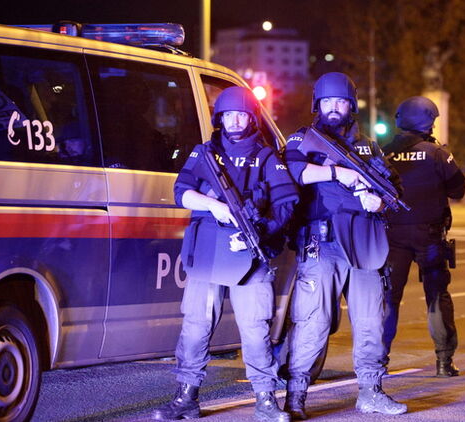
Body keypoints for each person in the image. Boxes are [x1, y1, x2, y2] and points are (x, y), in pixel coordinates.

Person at [153, 86, 299, 421]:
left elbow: (286, 204)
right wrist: (215, 206)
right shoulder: (205, 153)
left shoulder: (266, 157)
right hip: (208, 250)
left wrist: (260, 230)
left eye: (241, 115)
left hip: (250, 251)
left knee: (256, 328)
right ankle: (185, 398)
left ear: (251, 118)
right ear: (220, 118)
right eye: (228, 115)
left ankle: (265, 399)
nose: (234, 121)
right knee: (196, 326)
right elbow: (181, 192)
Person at [281, 72, 407, 419]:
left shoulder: (369, 147)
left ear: (351, 105)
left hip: (365, 241)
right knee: (312, 321)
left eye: (340, 101)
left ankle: (371, 391)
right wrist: (339, 173)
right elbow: (291, 171)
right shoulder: (303, 139)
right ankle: (295, 396)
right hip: (322, 243)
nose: (334, 107)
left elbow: (393, 189)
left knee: (370, 323)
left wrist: (378, 202)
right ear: (317, 104)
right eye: (327, 102)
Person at [381, 96, 465, 377]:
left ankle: (378, 361)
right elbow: (458, 189)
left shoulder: (384, 152)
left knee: (388, 298)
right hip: (429, 236)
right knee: (437, 296)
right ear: (428, 121)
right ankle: (444, 362)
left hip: (392, 236)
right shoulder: (437, 153)